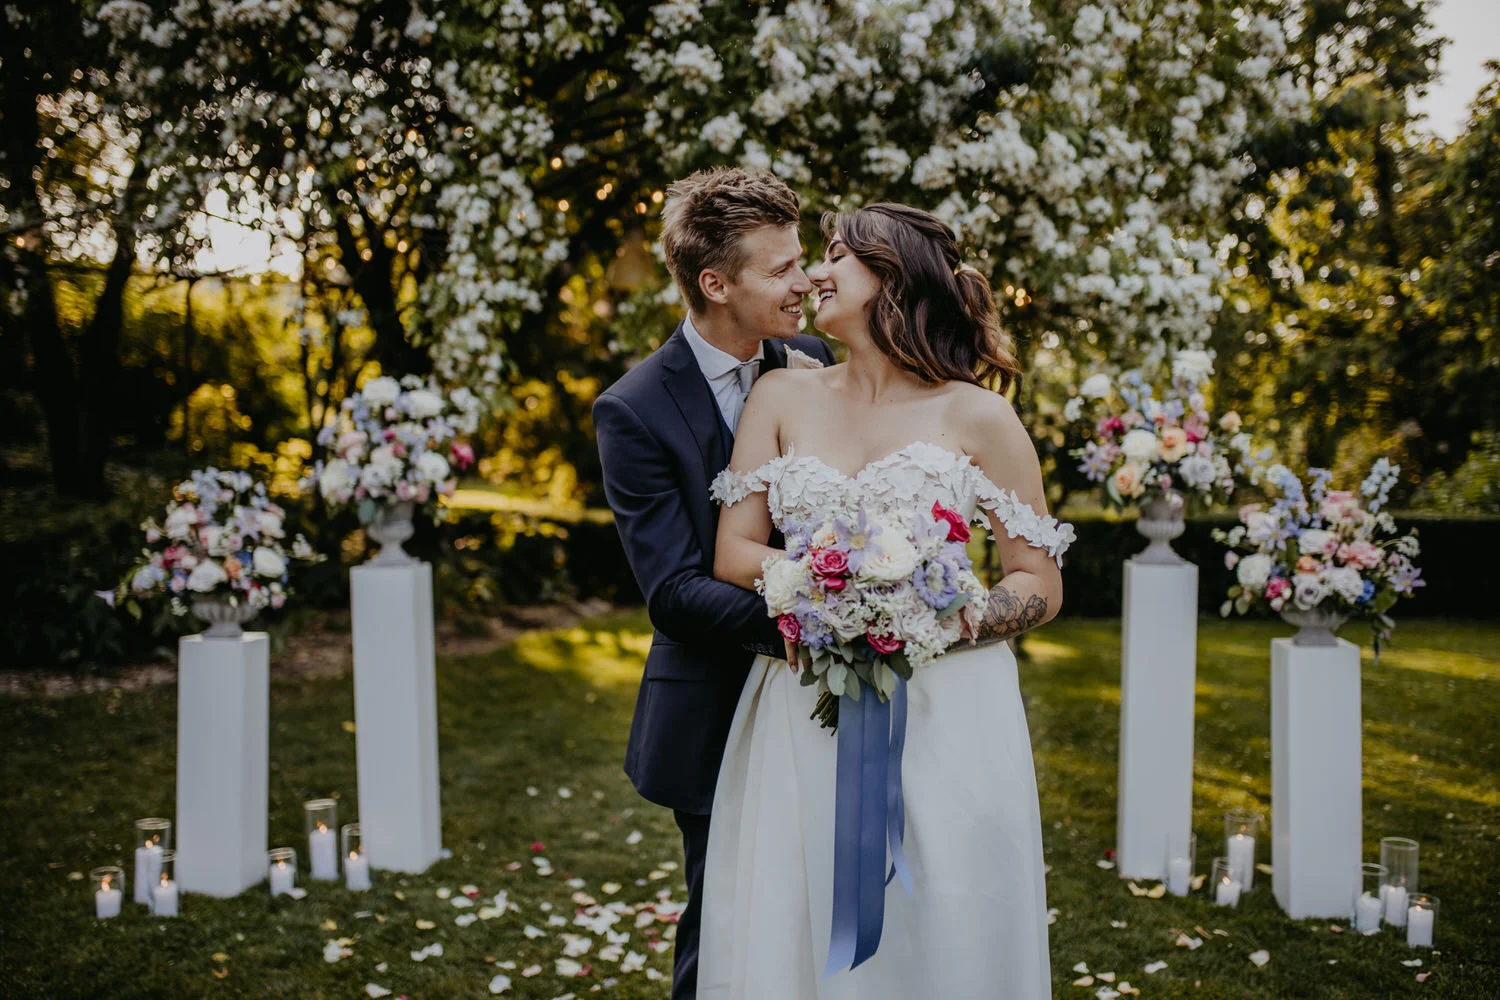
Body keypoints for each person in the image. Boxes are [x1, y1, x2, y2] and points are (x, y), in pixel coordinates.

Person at [699, 203, 1075, 998]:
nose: (813, 273)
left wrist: (932, 616)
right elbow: (735, 550)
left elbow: (1037, 582)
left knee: (942, 909)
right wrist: (821, 594)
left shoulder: (979, 414)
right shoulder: (779, 397)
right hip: (806, 705)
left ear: (893, 277)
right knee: (797, 908)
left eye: (836, 254)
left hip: (951, 713)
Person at [592, 167, 836, 999]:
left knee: (817, 910)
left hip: (826, 705)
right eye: (781, 269)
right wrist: (819, 621)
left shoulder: (813, 361)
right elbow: (672, 589)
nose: (805, 282)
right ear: (715, 283)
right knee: (727, 918)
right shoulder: (633, 410)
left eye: (801, 261)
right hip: (714, 707)